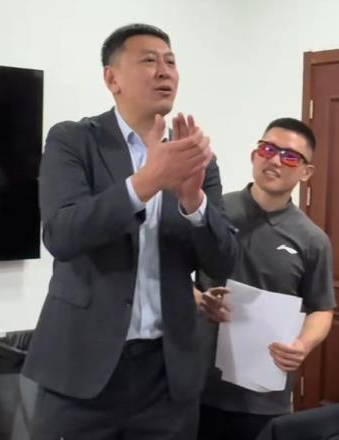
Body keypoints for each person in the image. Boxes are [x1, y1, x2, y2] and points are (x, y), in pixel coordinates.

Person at [22, 23, 237, 440]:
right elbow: (62, 234)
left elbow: (223, 259)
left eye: (171, 61)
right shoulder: (73, 140)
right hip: (82, 368)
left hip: (167, 375)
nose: (165, 71)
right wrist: (146, 182)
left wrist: (194, 202)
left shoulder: (194, 157)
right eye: (149, 61)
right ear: (112, 78)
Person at [195, 118, 336, 440]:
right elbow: (172, 275)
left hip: (263, 395)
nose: (275, 160)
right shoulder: (213, 211)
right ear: (254, 154)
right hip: (197, 384)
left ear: (306, 172)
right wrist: (200, 300)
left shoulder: (312, 240)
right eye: (268, 149)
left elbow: (322, 308)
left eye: (290, 156)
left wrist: (303, 345)